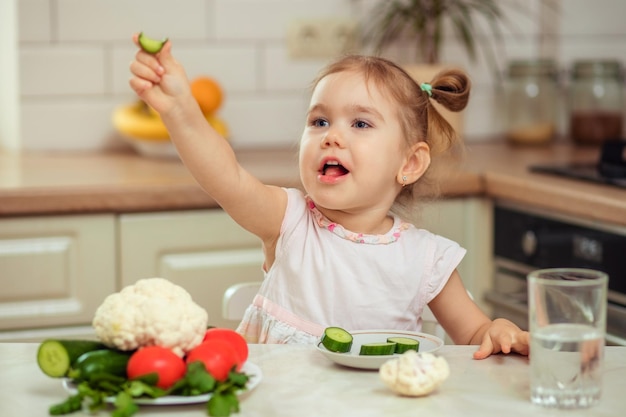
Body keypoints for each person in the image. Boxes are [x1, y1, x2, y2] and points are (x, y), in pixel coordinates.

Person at [129, 34, 529, 359]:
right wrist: (180, 109)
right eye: (319, 120)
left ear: (409, 163)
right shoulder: (289, 222)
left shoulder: (427, 259)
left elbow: (474, 333)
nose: (331, 135)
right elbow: (226, 177)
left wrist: (496, 331)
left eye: (360, 123)